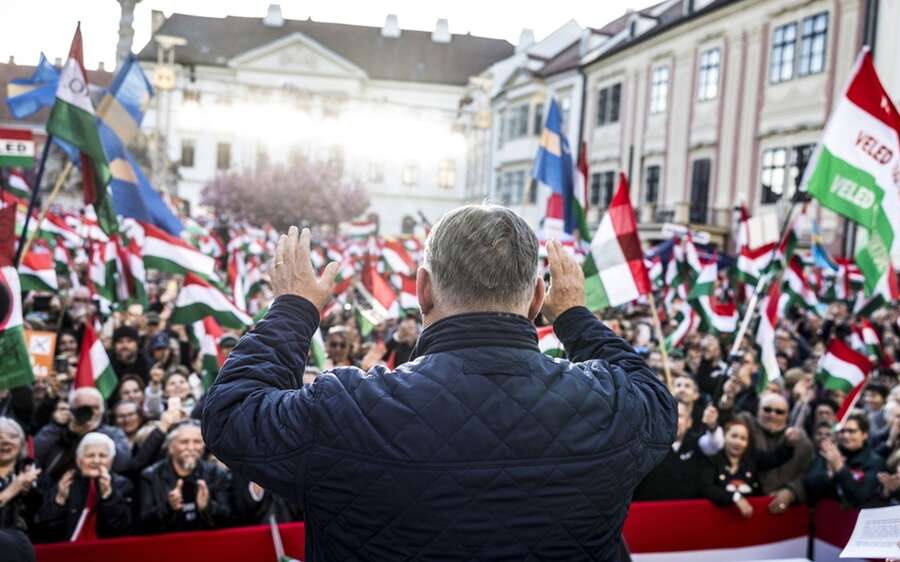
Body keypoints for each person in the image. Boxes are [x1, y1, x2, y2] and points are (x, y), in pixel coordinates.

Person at [203, 212, 676, 560]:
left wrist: (293, 307)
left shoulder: (348, 407)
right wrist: (573, 314)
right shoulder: (613, 406)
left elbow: (233, 414)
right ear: (537, 296)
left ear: (422, 289)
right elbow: (657, 399)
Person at [34, 432, 134, 541]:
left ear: (111, 460)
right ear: (78, 460)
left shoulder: (123, 485)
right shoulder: (66, 483)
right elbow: (44, 532)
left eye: (103, 456)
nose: (96, 461)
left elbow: (121, 531)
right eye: (90, 455)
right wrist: (60, 500)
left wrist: (108, 496)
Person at [697, 417, 801, 519]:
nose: (738, 442)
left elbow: (776, 458)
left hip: (751, 519)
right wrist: (735, 498)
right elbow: (707, 489)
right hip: (719, 519)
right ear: (725, 436)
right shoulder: (712, 460)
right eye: (734, 436)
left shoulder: (753, 457)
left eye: (743, 438)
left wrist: (788, 443)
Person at [139, 420, 231, 533]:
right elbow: (143, 524)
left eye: (197, 442)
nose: (191, 447)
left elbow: (230, 518)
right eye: (184, 442)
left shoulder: (217, 474)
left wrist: (207, 507)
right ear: (170, 446)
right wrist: (169, 507)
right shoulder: (150, 476)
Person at [34, 388, 131, 480]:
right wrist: (56, 427)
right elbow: (36, 452)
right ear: (72, 410)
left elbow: (123, 464)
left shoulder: (113, 433)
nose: (91, 413)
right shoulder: (58, 431)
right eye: (84, 408)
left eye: (95, 408)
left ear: (102, 411)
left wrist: (95, 433)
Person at [804, 412, 884, 508]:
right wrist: (829, 474)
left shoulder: (875, 462)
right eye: (842, 431)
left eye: (851, 431)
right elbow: (809, 483)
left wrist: (840, 468)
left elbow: (861, 498)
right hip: (826, 513)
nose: (846, 436)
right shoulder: (830, 453)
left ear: (864, 434)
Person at [633, 402, 703, 500]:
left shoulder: (699, 448)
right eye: (669, 415)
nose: (674, 420)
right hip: (651, 512)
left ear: (689, 422)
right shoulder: (644, 448)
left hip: (687, 512)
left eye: (679, 416)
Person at [0, 418, 41, 561]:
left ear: (22, 443)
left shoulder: (37, 473)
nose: (5, 442)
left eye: (12, 436)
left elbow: (48, 518)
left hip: (29, 548)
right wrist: (12, 489)